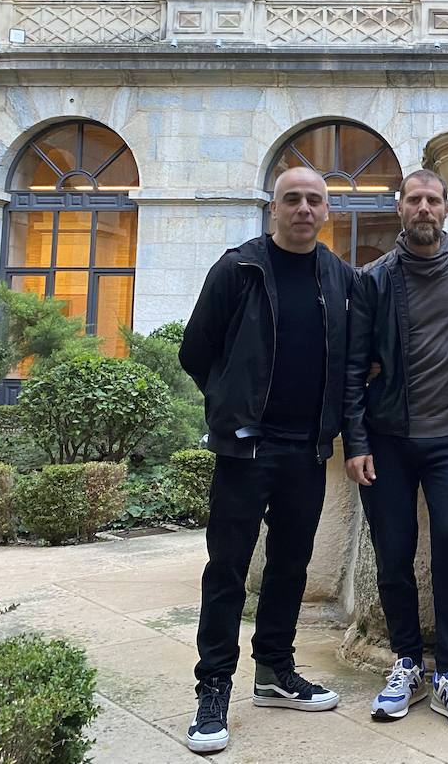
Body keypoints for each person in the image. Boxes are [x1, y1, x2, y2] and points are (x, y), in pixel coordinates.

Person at [178, 167, 351, 755]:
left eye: (314, 200)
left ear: (326, 211)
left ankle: (275, 671)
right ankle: (213, 689)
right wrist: (232, 405)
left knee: (290, 566)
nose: (304, 209)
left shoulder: (337, 275)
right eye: (292, 199)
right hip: (245, 446)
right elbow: (196, 349)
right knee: (227, 570)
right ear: (273, 208)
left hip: (307, 448)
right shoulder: (239, 268)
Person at [342, 169, 448, 732]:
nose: (424, 208)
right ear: (399, 207)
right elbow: (355, 366)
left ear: (447, 209)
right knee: (394, 552)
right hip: (388, 440)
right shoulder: (375, 278)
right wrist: (355, 441)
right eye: (414, 200)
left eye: (433, 200)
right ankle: (406, 661)